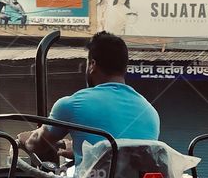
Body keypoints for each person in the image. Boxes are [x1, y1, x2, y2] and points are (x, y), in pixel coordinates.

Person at [17, 32, 160, 170]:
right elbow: (126, 159)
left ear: (92, 64)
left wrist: (24, 140)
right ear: (124, 68)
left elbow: (38, 144)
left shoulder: (71, 104)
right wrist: (84, 151)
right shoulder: (150, 112)